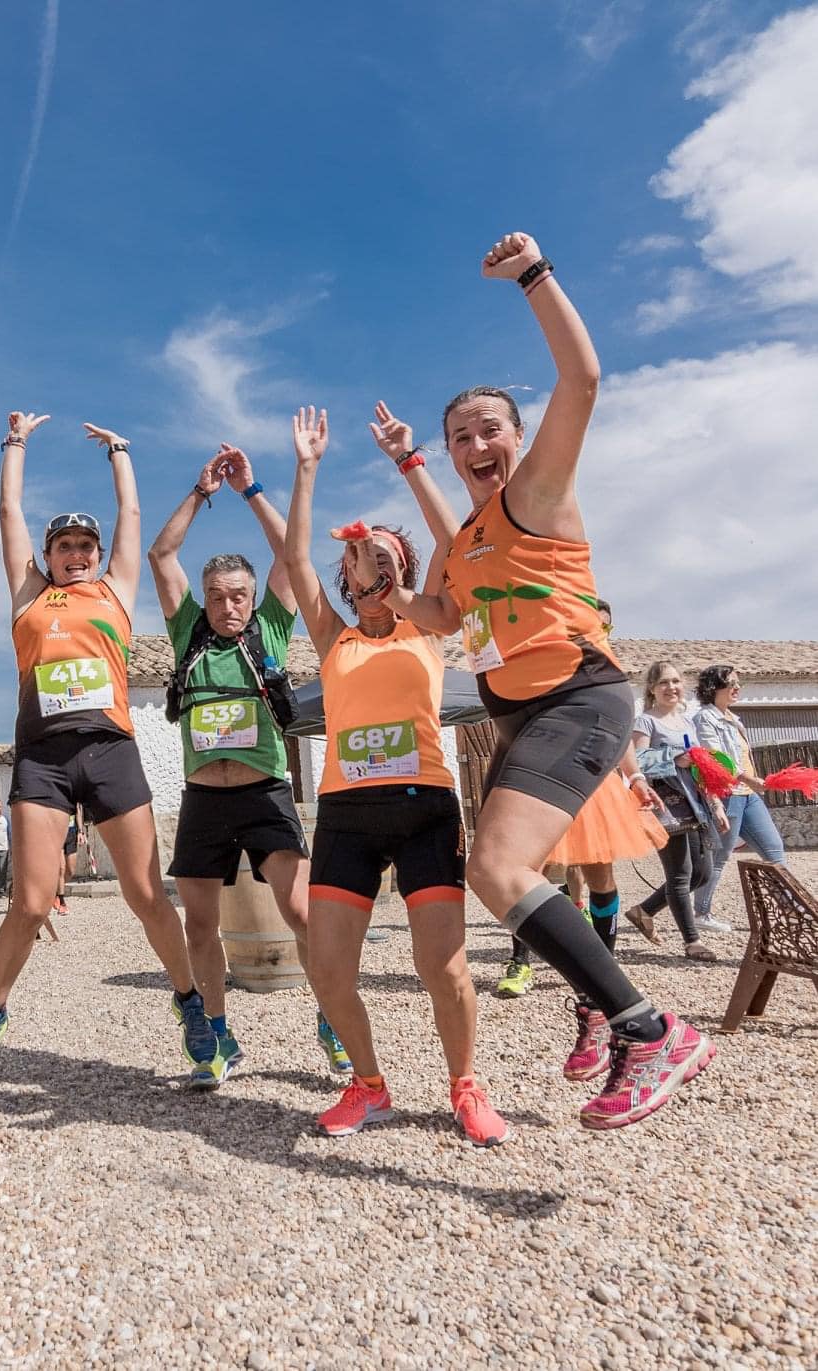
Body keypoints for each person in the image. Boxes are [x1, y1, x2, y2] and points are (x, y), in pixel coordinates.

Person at [380, 232, 712, 1130]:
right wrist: (397, 595)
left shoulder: (536, 493)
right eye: (461, 438)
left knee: (497, 864)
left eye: (489, 429)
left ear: (519, 440)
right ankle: (619, 1017)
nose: (476, 443)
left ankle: (649, 1028)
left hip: (578, 695)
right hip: (524, 717)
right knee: (512, 870)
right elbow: (447, 615)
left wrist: (533, 275)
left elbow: (584, 379)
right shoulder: (476, 535)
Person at [0, 416, 217, 1083]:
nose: (76, 553)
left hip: (110, 751)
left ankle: (190, 1001)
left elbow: (132, 512)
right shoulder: (29, 597)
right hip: (42, 757)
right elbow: (7, 509)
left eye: (85, 545)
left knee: (145, 892)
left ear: (99, 553)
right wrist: (13, 441)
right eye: (64, 545)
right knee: (32, 901)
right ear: (48, 556)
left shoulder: (114, 592)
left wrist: (121, 453)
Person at [286, 402, 508, 1145]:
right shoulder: (334, 635)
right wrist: (306, 468)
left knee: (441, 967)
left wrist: (408, 464)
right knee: (328, 969)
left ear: (403, 569)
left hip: (424, 807)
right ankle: (369, 1085)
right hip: (347, 812)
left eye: (387, 555)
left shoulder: (427, 625)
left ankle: (465, 1084)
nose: (373, 562)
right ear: (346, 574)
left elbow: (456, 540)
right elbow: (291, 560)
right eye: (361, 555)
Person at [149, 442, 346, 1075]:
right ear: (204, 599)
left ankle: (334, 1015)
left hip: (264, 792)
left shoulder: (271, 628)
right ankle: (215, 1036)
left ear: (252, 596)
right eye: (217, 596)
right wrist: (202, 492)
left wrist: (252, 490)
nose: (228, 606)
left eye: (238, 595)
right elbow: (161, 554)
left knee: (301, 912)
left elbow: (293, 555)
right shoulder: (187, 633)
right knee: (200, 926)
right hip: (203, 797)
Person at [494, 599, 666, 998]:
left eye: (606, 628)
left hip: (595, 782)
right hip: (543, 775)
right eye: (593, 625)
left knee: (600, 877)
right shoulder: (543, 661)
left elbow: (620, 733)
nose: (599, 634)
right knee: (530, 872)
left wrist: (636, 777)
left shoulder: (609, 674)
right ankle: (521, 962)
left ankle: (599, 969)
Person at [621, 663, 720, 961]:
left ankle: (644, 910)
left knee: (702, 874)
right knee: (680, 875)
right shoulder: (646, 722)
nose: (671, 687)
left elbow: (700, 764)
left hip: (695, 805)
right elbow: (639, 760)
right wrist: (674, 758)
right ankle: (692, 942)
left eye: (676, 681)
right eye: (664, 682)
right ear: (652, 688)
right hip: (666, 806)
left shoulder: (687, 723)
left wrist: (714, 801)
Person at [692, 662, 788, 926]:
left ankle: (791, 908)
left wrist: (750, 782)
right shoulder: (705, 719)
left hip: (748, 797)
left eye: (737, 683)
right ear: (714, 688)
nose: (737, 687)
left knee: (774, 849)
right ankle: (701, 913)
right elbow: (715, 758)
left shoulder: (734, 719)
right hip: (728, 795)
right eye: (731, 683)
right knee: (720, 856)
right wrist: (747, 778)